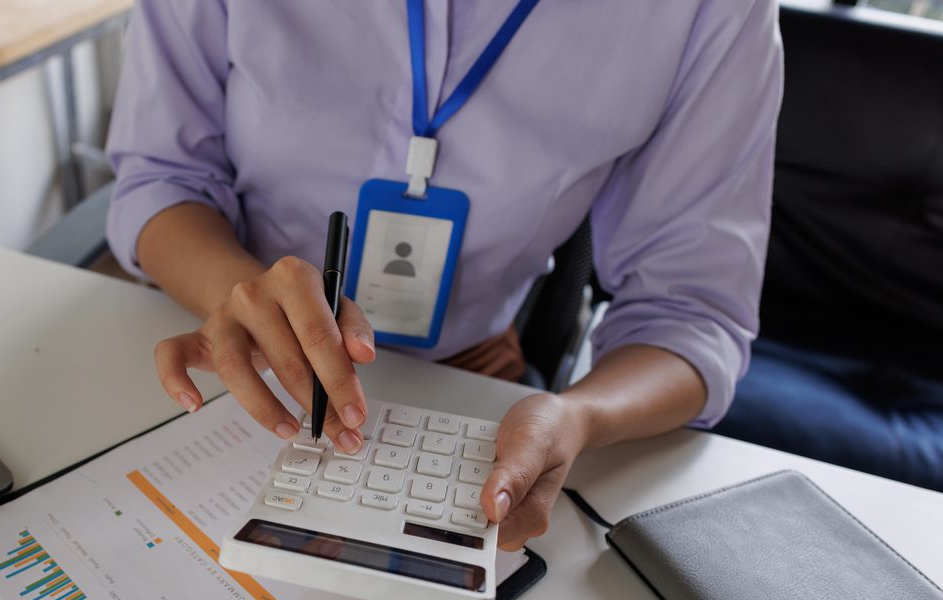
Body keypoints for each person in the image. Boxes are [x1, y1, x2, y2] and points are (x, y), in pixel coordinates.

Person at [106, 0, 783, 551]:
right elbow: (163, 176)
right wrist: (235, 292)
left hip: (471, 381)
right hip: (228, 342)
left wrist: (576, 417)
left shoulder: (707, 11)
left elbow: (691, 314)